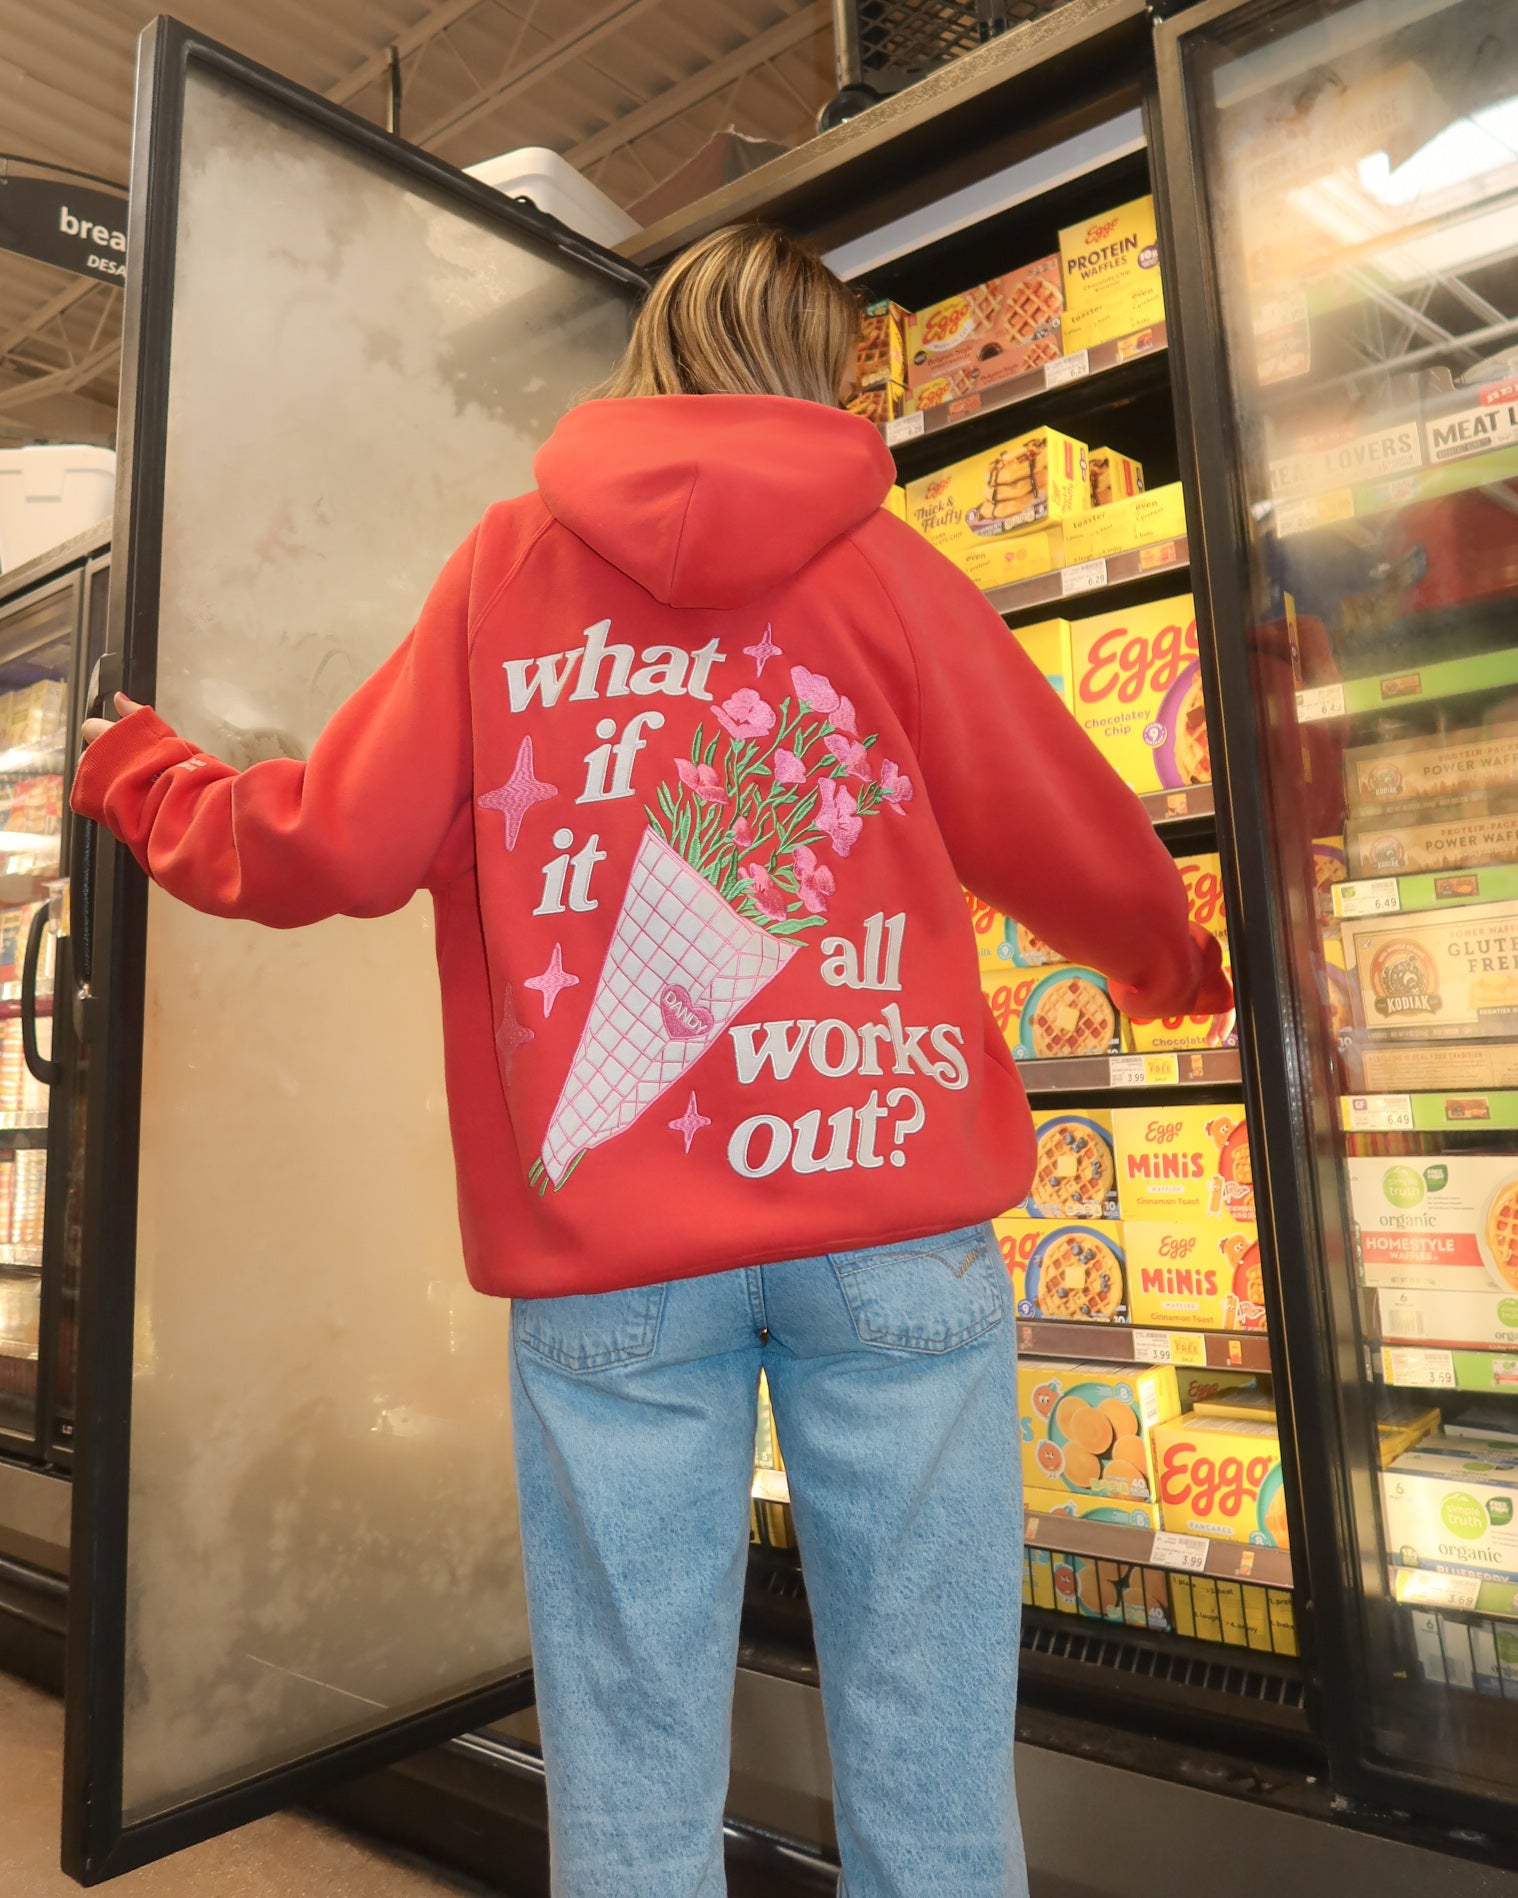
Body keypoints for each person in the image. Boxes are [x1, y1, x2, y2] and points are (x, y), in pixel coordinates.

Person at [76, 222, 1228, 1898]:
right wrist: (1175, 973)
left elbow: (328, 844)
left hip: (612, 1262)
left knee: (626, 1774)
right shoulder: (893, 574)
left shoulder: (501, 570)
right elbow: (1064, 834)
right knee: (932, 1761)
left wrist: (150, 779)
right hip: (890, 1234)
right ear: (819, 381)